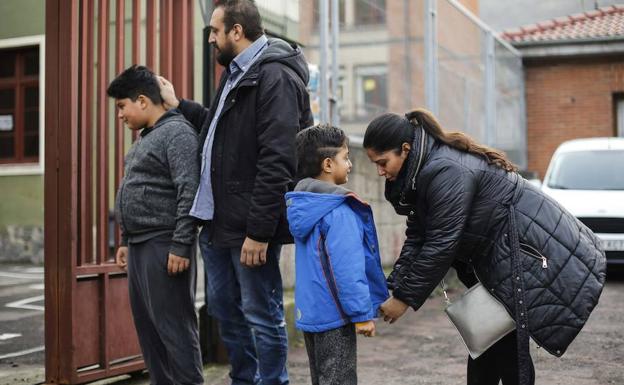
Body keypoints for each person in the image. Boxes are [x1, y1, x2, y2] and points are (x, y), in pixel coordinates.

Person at [363, 108, 606, 385]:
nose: (380, 171)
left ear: (405, 149)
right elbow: (419, 235)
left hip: (523, 253)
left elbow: (441, 242)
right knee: (487, 340)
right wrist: (394, 286)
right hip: (498, 259)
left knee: (506, 350)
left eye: (382, 162)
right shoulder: (423, 172)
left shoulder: (445, 170)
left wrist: (404, 299)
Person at [158, 1, 313, 383]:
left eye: (214, 31)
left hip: (248, 227)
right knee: (226, 311)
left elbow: (278, 158)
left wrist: (259, 232)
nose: (210, 38)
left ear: (237, 31)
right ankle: (244, 379)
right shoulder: (235, 73)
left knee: (261, 313)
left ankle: (272, 381)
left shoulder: (274, 76)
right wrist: (180, 106)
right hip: (217, 223)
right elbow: (219, 133)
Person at [109, 65, 203, 385]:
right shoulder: (144, 140)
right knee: (149, 334)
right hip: (139, 245)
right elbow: (132, 190)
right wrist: (124, 239)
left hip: (164, 245)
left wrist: (181, 244)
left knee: (174, 330)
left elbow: (189, 190)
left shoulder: (177, 133)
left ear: (143, 101)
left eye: (122, 106)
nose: (119, 115)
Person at [285, 125, 389, 385]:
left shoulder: (303, 204)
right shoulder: (339, 211)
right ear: (328, 164)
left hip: (312, 314)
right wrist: (361, 314)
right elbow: (347, 268)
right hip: (336, 315)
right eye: (346, 157)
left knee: (322, 379)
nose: (351, 164)